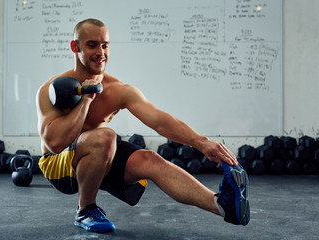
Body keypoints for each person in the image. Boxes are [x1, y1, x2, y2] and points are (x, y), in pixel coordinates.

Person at [36, 18, 250, 234]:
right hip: (59, 166)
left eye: (105, 45)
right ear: (75, 47)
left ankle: (222, 206)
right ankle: (85, 209)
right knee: (105, 137)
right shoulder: (50, 89)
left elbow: (159, 121)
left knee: (150, 160)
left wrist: (203, 144)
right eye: (92, 45)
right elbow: (55, 143)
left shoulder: (119, 90)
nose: (101, 52)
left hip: (98, 156)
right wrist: (85, 100)